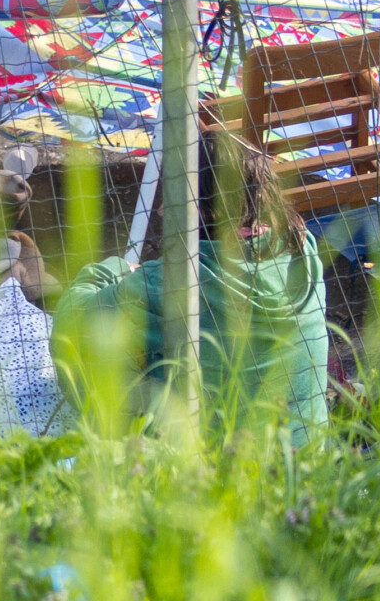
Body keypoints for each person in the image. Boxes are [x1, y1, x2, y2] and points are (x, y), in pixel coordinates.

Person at [53, 135, 329, 442]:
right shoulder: (303, 249)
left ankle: (115, 449)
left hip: (214, 472)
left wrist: (116, 267)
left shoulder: (170, 280)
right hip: (305, 462)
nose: (160, 211)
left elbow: (73, 314)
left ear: (199, 205)